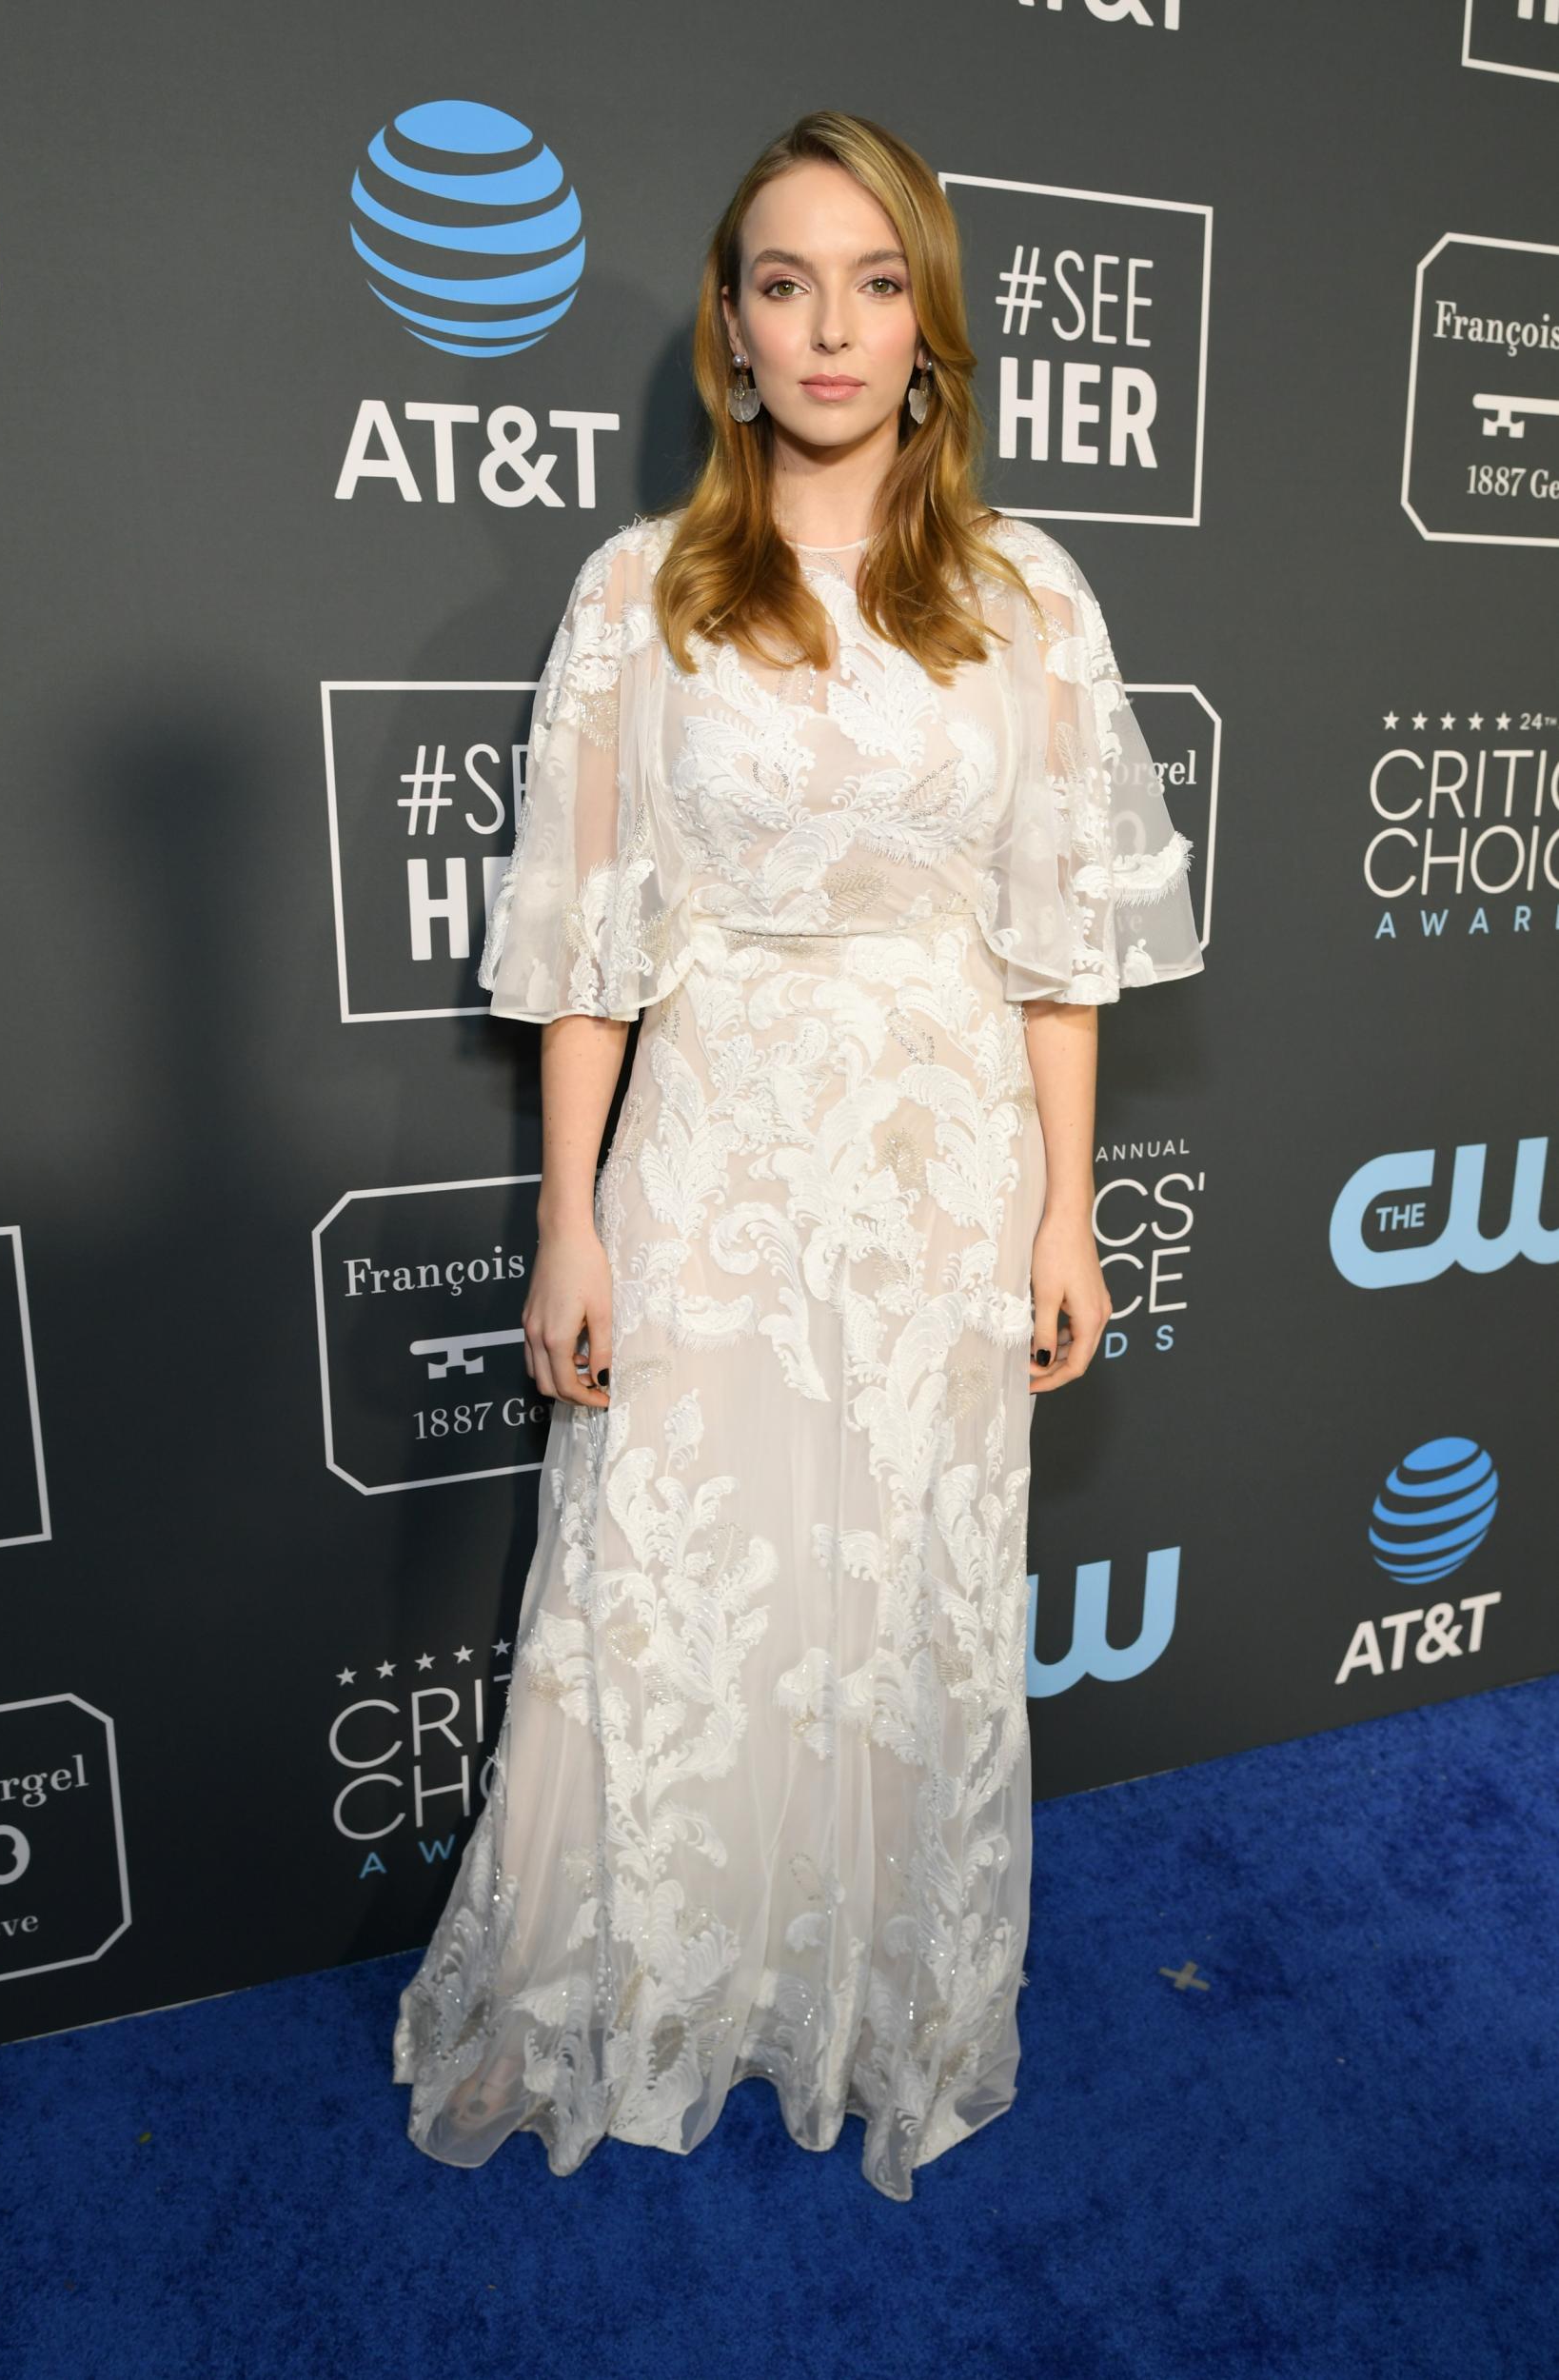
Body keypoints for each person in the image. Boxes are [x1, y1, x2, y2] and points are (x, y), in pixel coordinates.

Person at [391, 109, 1204, 2204]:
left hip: (937, 1169)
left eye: (868, 280)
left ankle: (866, 1995)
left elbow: (1060, 945)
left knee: (900, 1599)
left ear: (924, 324)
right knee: (661, 1592)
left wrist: (1064, 1205)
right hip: (713, 1162)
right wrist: (570, 1216)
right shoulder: (635, 592)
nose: (826, 326)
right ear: (728, 331)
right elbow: (589, 949)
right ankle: (647, 1982)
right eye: (781, 282)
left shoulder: (1027, 596)